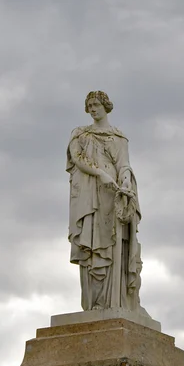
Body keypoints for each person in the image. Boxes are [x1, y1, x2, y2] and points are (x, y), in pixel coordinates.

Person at [66, 90, 143, 311]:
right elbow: (78, 160)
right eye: (89, 105)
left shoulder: (119, 137)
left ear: (106, 106)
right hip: (89, 194)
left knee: (108, 246)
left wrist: (126, 181)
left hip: (111, 195)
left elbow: (124, 165)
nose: (92, 109)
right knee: (91, 247)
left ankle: (113, 301)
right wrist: (101, 174)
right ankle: (94, 304)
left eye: (96, 104)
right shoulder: (80, 134)